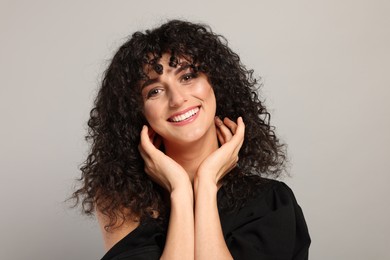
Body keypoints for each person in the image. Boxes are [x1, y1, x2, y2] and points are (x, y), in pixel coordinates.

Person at [72, 20, 311, 260]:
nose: (177, 99)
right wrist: (180, 191)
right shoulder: (122, 205)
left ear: (215, 83)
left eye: (187, 77)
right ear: (137, 113)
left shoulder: (271, 203)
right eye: (154, 91)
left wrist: (206, 184)